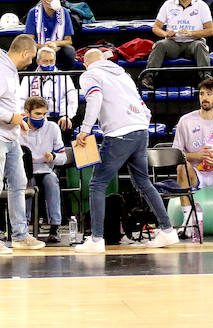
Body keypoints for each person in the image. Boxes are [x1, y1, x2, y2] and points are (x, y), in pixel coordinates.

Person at [74, 47, 180, 253]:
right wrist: (140, 124)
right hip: (141, 130)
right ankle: (167, 230)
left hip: (119, 134)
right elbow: (143, 106)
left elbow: (94, 99)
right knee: (143, 181)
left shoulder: (89, 74)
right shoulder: (124, 75)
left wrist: (86, 130)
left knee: (97, 184)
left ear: (86, 63)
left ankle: (96, 239)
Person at [0, 33, 42, 254]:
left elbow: (2, 105)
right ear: (24, 53)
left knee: (19, 183)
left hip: (9, 137)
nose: (31, 63)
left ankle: (20, 236)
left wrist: (17, 119)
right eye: (31, 58)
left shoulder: (9, 71)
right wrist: (11, 118)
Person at [173, 77, 213, 196]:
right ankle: (189, 213)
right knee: (181, 167)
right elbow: (175, 155)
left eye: (209, 94)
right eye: (201, 94)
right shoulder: (185, 121)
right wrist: (196, 156)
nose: (205, 98)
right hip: (196, 174)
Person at [21, 95, 68, 244]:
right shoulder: (18, 128)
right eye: (37, 114)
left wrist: (53, 156)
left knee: (52, 180)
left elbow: (63, 157)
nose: (41, 117)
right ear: (27, 113)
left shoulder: (52, 128)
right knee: (26, 181)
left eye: (44, 114)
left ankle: (55, 227)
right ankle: (23, 226)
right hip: (25, 171)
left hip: (46, 169)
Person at [148, 0, 213, 80]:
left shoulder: (202, 6)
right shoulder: (168, 5)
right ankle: (149, 78)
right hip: (173, 43)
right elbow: (156, 27)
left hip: (193, 43)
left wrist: (192, 33)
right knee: (160, 45)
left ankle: (206, 80)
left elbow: (210, 30)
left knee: (200, 46)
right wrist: (165, 34)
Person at [19, 45, 79, 133]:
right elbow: (21, 99)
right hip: (34, 118)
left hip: (59, 118)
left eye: (51, 61)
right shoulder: (29, 77)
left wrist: (67, 116)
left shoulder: (63, 77)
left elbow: (73, 100)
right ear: (38, 61)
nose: (49, 64)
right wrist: (24, 117)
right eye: (45, 61)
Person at [24, 0, 78, 67]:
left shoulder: (64, 12)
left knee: (69, 52)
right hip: (39, 48)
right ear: (43, 1)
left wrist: (55, 44)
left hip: (58, 48)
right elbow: (29, 41)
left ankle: (67, 77)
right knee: (29, 54)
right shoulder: (33, 13)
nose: (56, 0)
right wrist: (44, 46)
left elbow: (68, 41)